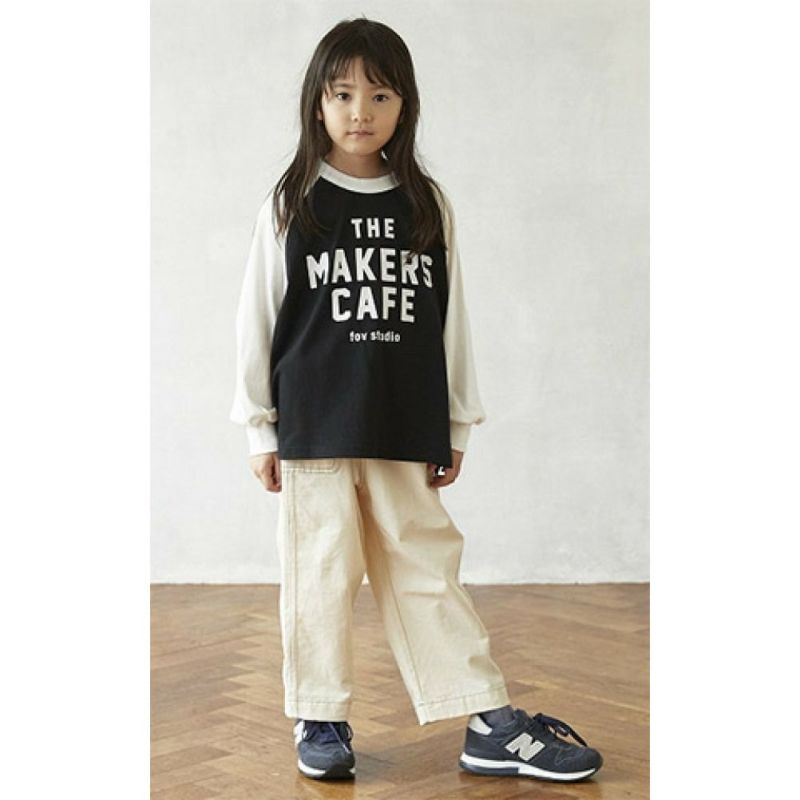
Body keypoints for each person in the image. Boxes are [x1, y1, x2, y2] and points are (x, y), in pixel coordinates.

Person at [229, 15, 603, 784]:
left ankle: (485, 717)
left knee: (427, 566)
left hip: (402, 421)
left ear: (405, 105)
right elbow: (257, 318)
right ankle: (320, 714)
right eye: (342, 94)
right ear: (317, 103)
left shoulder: (426, 204)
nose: (359, 111)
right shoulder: (293, 201)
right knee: (319, 573)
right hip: (314, 427)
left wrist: (457, 419)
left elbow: (449, 318)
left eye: (379, 95)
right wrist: (259, 428)